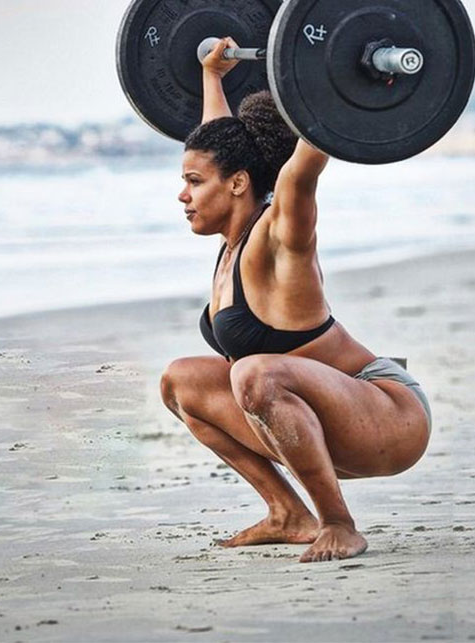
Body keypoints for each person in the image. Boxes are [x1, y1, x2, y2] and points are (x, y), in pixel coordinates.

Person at [160, 37, 432, 563]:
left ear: (239, 185)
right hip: (313, 421)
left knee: (254, 373)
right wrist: (212, 75)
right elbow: (224, 141)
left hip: (388, 414)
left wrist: (333, 81)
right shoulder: (231, 241)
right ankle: (289, 514)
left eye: (194, 182)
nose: (183, 194)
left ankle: (339, 523)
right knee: (180, 380)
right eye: (184, 181)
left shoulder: (281, 237)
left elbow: (302, 168)